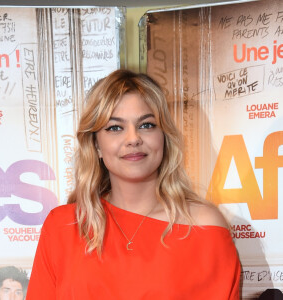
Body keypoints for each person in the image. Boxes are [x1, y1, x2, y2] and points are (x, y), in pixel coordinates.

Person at [26, 69, 241, 299]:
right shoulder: (63, 227)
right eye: (115, 128)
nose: (133, 139)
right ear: (96, 146)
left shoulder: (205, 228)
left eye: (146, 125)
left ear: (164, 137)